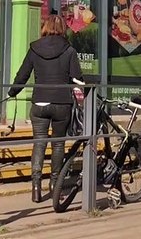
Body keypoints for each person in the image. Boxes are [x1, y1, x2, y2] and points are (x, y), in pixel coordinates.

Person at [8, 14, 85, 203]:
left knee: (39, 143)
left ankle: (35, 186)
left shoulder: (34, 48)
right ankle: (54, 184)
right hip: (61, 103)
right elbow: (77, 78)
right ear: (63, 29)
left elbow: (23, 74)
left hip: (40, 103)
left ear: (45, 27)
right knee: (58, 144)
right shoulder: (69, 50)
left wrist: (12, 92)